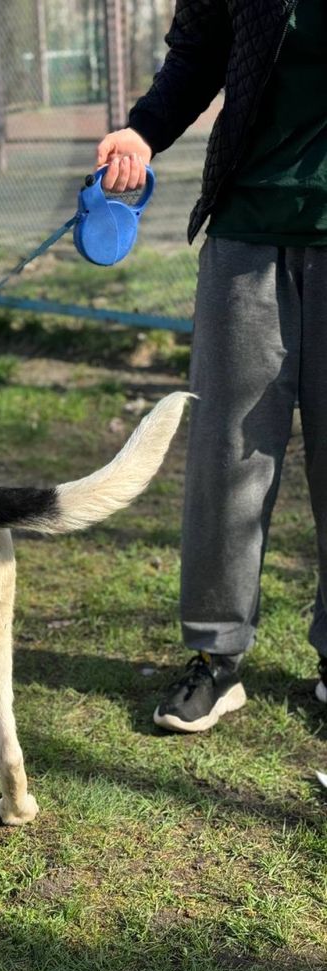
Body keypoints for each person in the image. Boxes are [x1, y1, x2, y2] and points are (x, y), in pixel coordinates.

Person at [95, 0, 327, 732]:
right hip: (246, 228)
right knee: (226, 454)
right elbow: (198, 52)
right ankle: (217, 661)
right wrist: (143, 130)